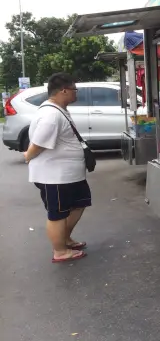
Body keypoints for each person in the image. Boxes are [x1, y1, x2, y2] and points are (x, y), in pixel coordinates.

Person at [24, 73, 90, 263]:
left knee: (80, 203)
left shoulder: (57, 110)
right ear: (64, 91)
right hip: (55, 176)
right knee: (58, 214)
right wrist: (28, 156)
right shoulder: (51, 115)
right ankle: (60, 250)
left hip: (68, 175)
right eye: (74, 90)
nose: (76, 93)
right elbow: (39, 143)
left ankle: (64, 239)